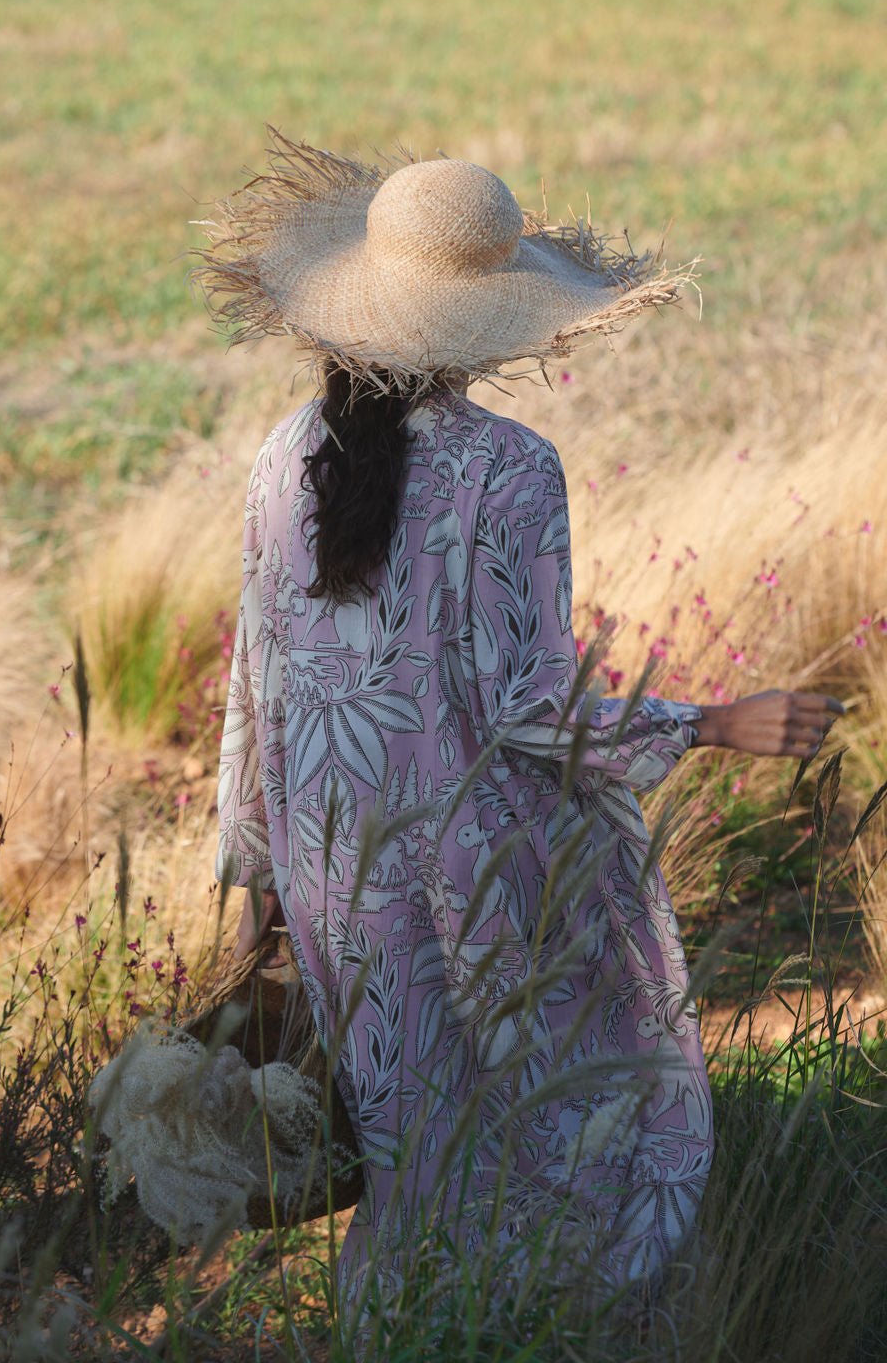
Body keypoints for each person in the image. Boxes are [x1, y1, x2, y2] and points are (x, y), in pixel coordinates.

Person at [198, 130, 844, 1318]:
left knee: (402, 1136)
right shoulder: (508, 469)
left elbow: (256, 681)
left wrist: (252, 873)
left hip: (327, 858)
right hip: (468, 865)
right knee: (561, 1117)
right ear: (491, 321)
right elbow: (529, 713)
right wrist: (710, 723)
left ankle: (395, 1328)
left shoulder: (283, 455)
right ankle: (540, 1325)